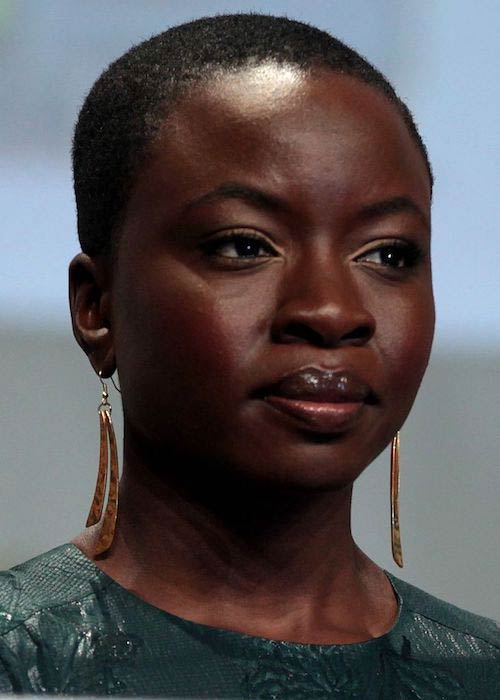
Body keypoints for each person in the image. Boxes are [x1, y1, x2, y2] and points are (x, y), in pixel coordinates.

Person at [0, 13, 498, 698]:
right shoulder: (24, 664)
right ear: (97, 307)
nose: (334, 311)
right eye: (243, 246)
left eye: (388, 254)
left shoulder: (480, 673)